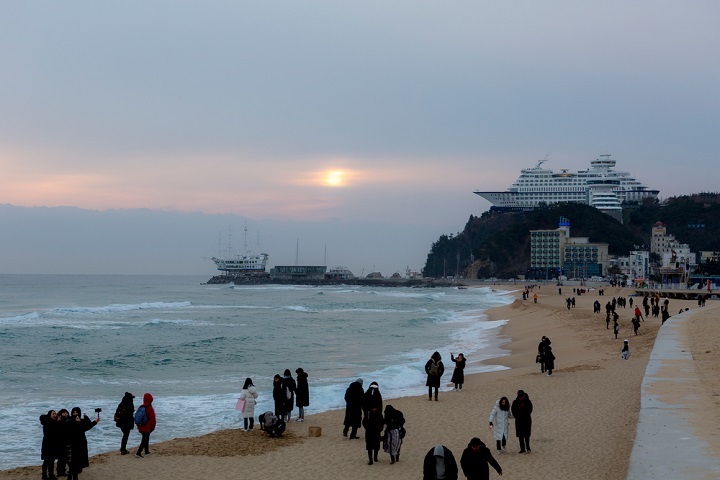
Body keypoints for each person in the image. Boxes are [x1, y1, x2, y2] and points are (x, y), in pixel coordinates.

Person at [67, 407, 99, 480]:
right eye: (74, 412)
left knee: (78, 462)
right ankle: (70, 476)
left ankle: (74, 476)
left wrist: (94, 421)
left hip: (81, 443)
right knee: (73, 462)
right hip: (72, 444)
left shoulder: (80, 421)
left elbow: (87, 426)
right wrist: (77, 422)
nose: (75, 414)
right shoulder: (69, 421)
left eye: (77, 412)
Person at [135, 393, 156, 458]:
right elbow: (152, 419)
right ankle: (138, 453)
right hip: (147, 427)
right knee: (144, 440)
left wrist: (138, 426)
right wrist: (152, 427)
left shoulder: (141, 407)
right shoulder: (149, 408)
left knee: (146, 438)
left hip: (141, 426)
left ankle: (146, 451)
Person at [40, 410, 60, 480]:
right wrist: (57, 422)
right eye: (53, 414)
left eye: (55, 414)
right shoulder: (47, 422)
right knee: (46, 460)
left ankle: (51, 475)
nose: (54, 415)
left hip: (53, 444)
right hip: (47, 444)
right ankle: (44, 475)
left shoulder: (54, 422)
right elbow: (52, 432)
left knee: (52, 460)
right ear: (49, 415)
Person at [55, 409, 70, 477]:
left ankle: (63, 471)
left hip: (67, 441)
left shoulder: (69, 420)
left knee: (65, 458)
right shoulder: (59, 421)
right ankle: (59, 472)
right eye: (63, 413)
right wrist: (58, 418)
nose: (65, 414)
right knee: (60, 458)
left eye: (66, 412)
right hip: (60, 442)